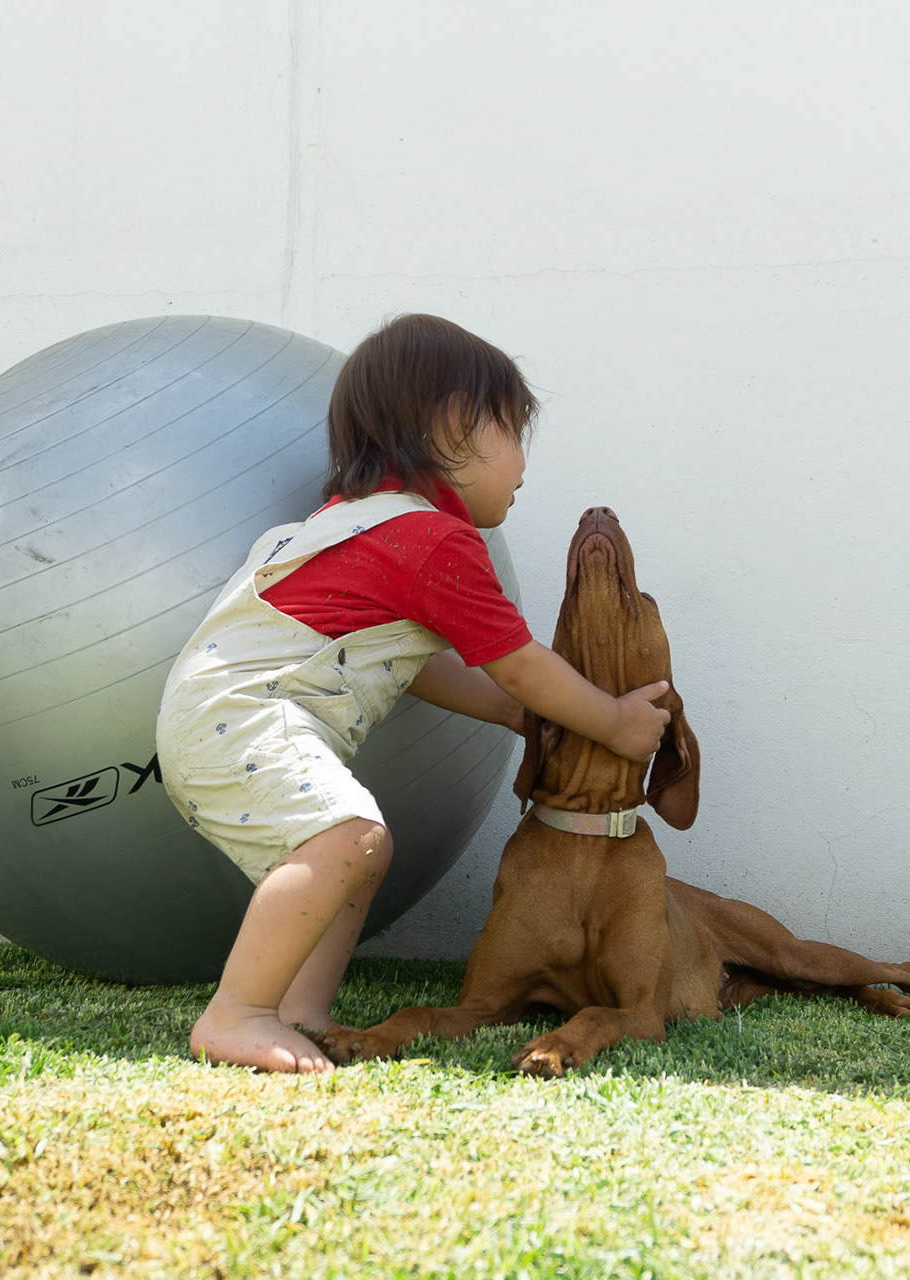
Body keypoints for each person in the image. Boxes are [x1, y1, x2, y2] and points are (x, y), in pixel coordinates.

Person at [155, 314, 670, 1073]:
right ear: (458, 423)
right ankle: (237, 1012)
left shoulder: (356, 529)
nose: (524, 465)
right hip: (242, 715)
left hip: (215, 715)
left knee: (364, 848)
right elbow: (521, 663)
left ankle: (299, 1011)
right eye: (515, 432)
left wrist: (508, 711)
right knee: (346, 837)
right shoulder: (431, 541)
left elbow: (412, 665)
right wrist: (617, 720)